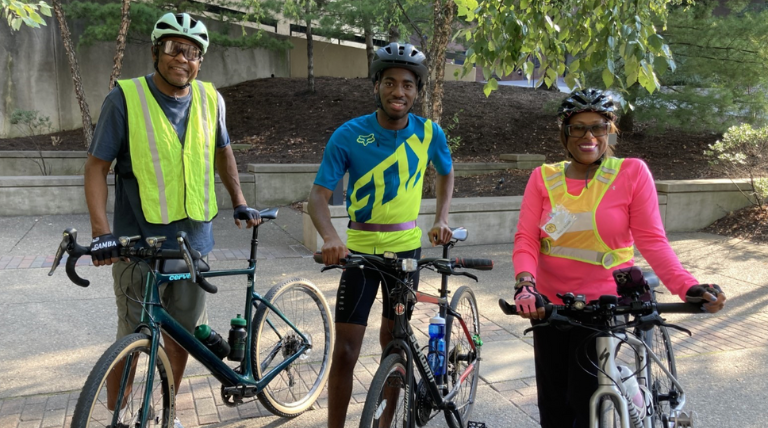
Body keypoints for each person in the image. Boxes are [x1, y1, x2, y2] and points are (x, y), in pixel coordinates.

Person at [83, 12, 260, 428]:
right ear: (156, 51)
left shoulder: (211, 99)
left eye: (193, 52)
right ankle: (119, 419)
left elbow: (223, 151)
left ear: (201, 60)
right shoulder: (124, 98)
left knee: (180, 337)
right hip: (138, 247)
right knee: (130, 340)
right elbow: (96, 168)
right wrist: (100, 233)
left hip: (193, 245)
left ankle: (165, 411)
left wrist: (239, 199)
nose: (184, 58)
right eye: (174, 48)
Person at [511, 88, 727, 427]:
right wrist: (525, 284)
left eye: (598, 126)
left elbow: (653, 241)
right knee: (553, 408)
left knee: (586, 404)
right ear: (564, 134)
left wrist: (687, 287)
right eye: (577, 127)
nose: (588, 136)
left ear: (611, 130)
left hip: (604, 303)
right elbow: (527, 239)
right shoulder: (543, 177)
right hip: (550, 304)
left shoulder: (631, 173)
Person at [307, 42, 455, 427]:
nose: (398, 92)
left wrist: (441, 217)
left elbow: (446, 171)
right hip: (359, 254)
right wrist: (329, 237)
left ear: (417, 92)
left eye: (407, 85)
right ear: (377, 86)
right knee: (346, 352)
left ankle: (390, 416)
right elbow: (318, 198)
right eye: (390, 83)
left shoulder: (429, 133)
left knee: (395, 341)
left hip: (406, 252)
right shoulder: (349, 134)